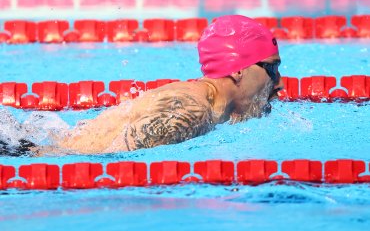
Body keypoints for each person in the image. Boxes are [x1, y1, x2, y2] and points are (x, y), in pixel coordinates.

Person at [0, 15, 284, 156]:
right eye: (271, 68)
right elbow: (108, 161)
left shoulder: (201, 104)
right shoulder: (190, 112)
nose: (279, 84)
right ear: (237, 69)